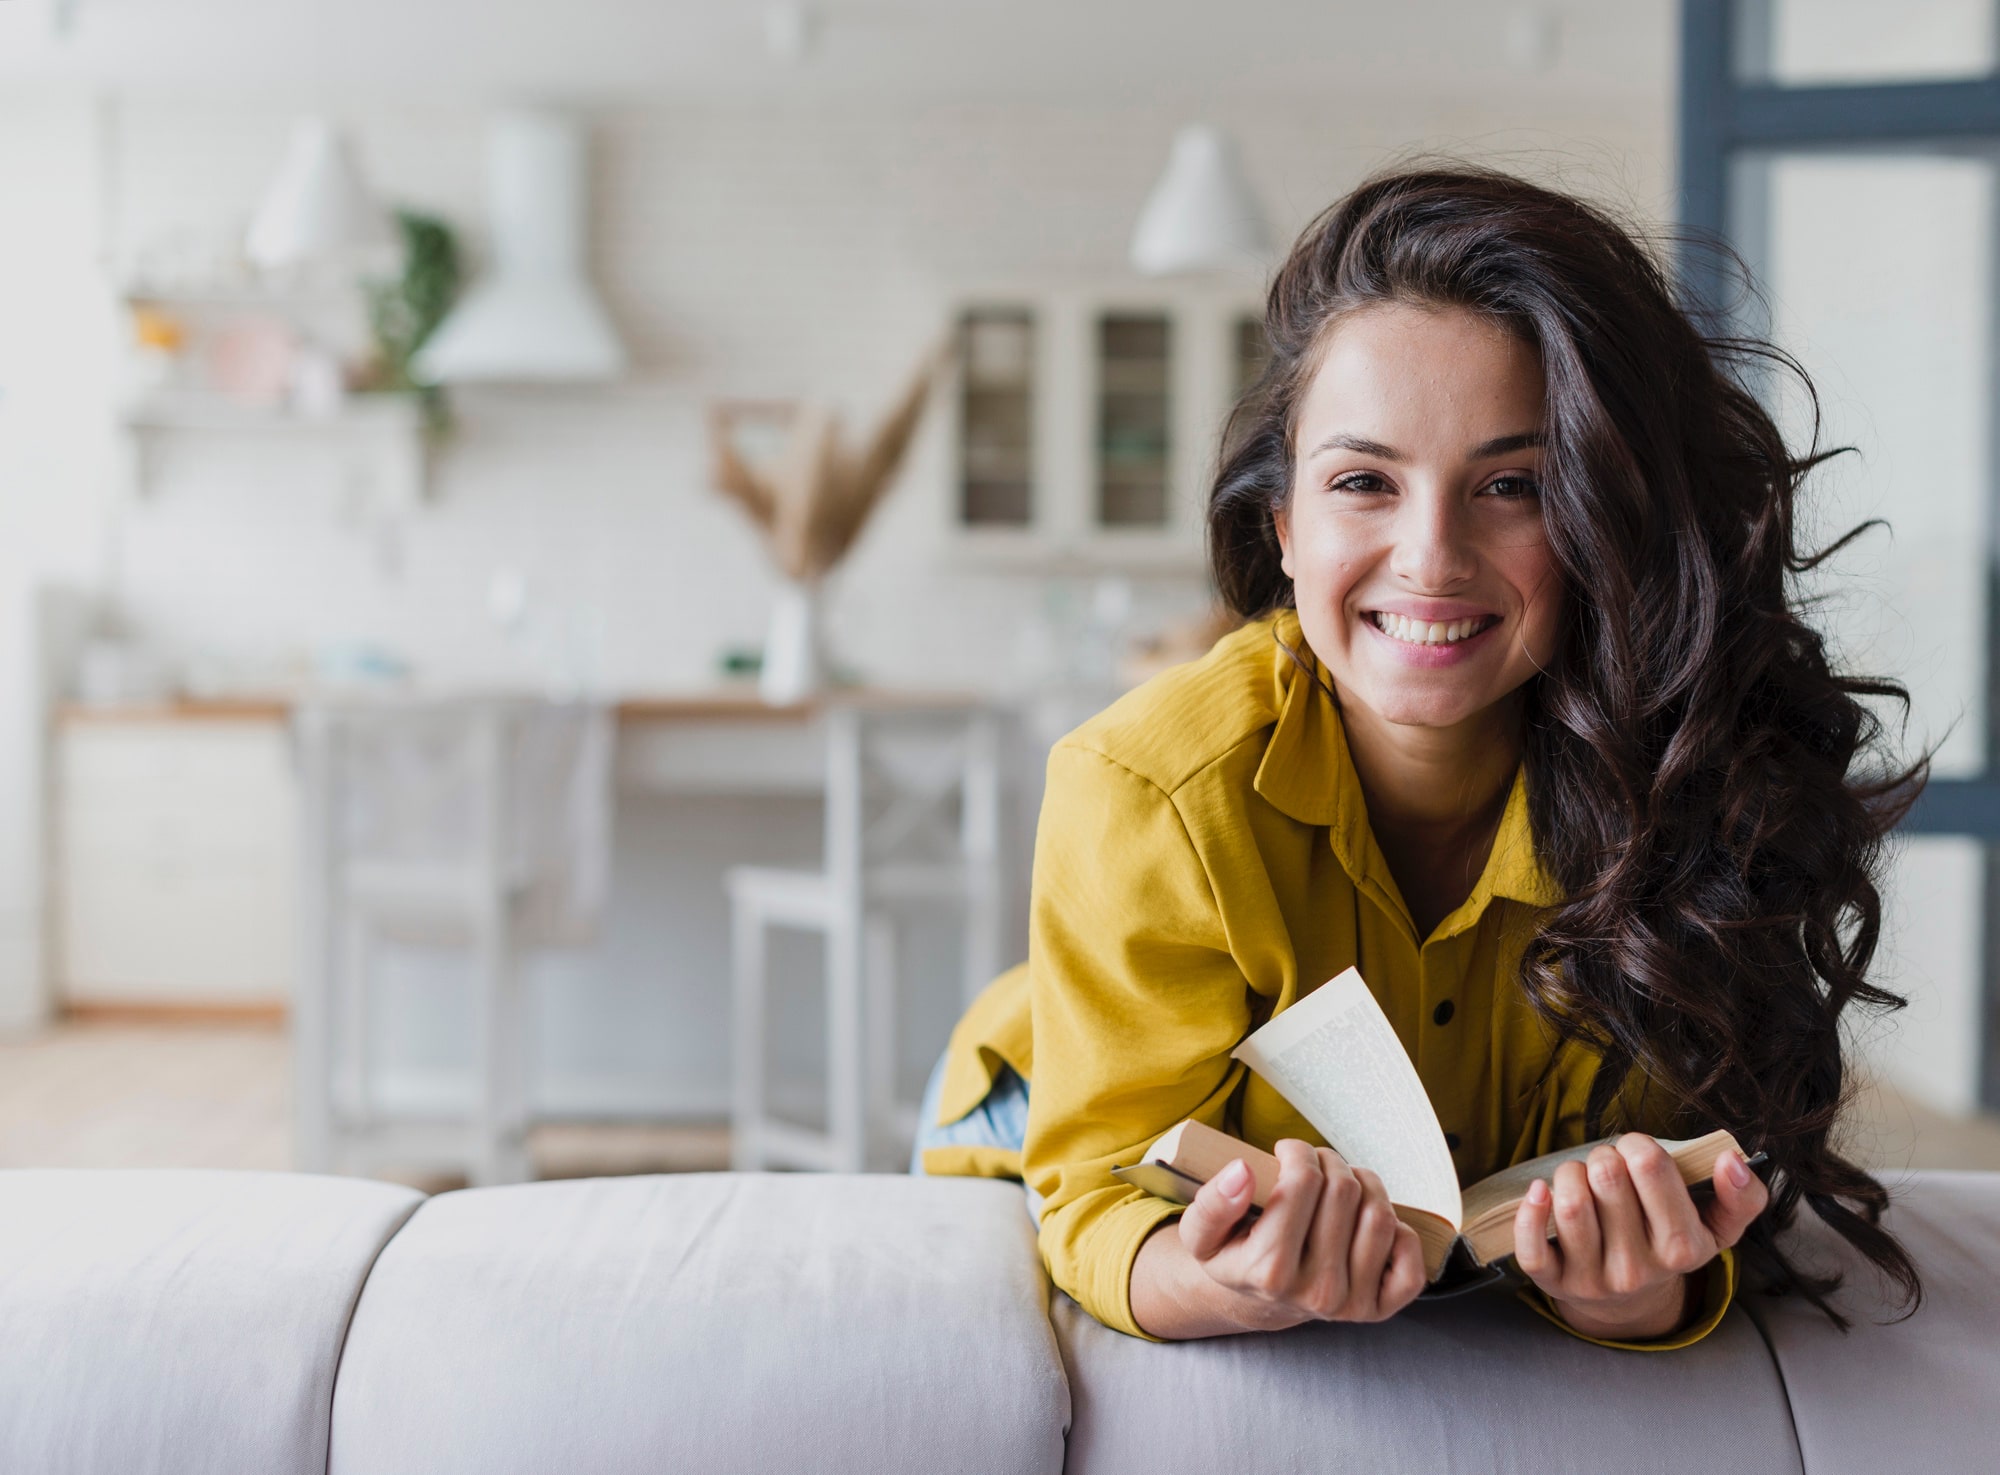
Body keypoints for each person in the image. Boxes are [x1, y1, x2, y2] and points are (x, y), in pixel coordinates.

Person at [915, 165, 1925, 1347]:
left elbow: (1663, 1181)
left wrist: (1630, 1288)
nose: (1430, 556)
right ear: (1283, 526)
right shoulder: (1143, 785)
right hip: (1047, 1097)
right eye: (1361, 482)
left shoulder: (1676, 794)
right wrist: (1234, 1284)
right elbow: (1091, 1198)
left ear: (1603, 521)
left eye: (1511, 484)